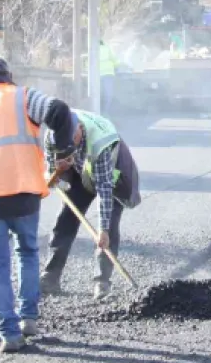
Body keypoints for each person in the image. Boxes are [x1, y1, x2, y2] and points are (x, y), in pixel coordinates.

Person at [0, 53, 74, 354]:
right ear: (8, 75)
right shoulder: (24, 97)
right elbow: (60, 112)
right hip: (24, 193)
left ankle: (9, 333)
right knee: (28, 253)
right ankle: (29, 318)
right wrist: (62, 153)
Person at [41, 108, 141, 301]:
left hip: (111, 172)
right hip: (80, 171)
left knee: (109, 226)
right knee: (65, 219)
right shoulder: (52, 134)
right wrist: (57, 173)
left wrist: (102, 229)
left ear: (79, 130)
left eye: (70, 144)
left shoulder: (101, 143)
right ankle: (50, 277)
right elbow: (50, 171)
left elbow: (104, 189)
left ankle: (102, 282)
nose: (66, 148)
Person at [99, 40, 117, 115]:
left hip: (96, 75)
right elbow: (115, 61)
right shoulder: (107, 49)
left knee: (98, 94)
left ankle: (97, 111)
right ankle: (105, 112)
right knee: (108, 94)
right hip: (108, 74)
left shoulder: (91, 49)